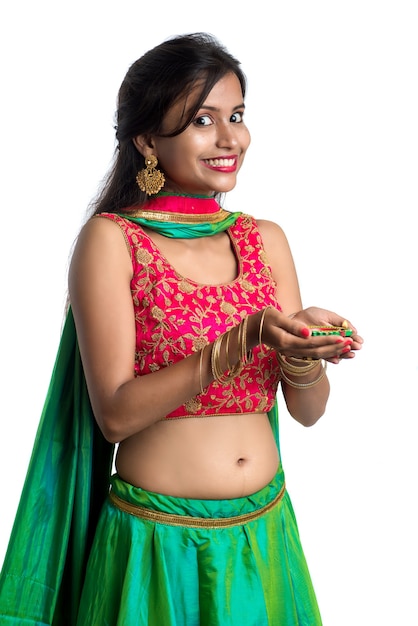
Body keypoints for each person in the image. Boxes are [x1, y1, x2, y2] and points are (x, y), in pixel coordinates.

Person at [0, 32, 363, 625]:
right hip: (154, 548)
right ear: (147, 139)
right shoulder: (114, 242)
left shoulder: (265, 239)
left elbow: (308, 410)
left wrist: (304, 352)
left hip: (263, 538)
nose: (231, 139)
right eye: (203, 119)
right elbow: (114, 413)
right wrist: (241, 339)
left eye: (237, 116)